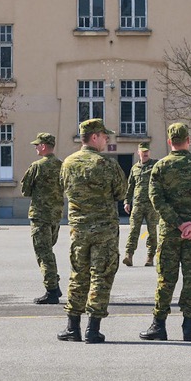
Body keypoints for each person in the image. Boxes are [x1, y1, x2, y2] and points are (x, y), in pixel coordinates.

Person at [139, 122, 191, 342]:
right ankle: (188, 327)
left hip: (170, 232)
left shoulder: (160, 167)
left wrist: (177, 223)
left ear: (169, 141)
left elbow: (156, 199)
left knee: (166, 278)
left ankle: (159, 325)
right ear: (188, 140)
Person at [57, 119, 126, 344]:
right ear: (94, 137)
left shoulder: (67, 163)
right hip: (104, 229)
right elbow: (121, 192)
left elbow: (63, 188)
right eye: (105, 136)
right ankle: (93, 329)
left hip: (79, 230)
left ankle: (72, 327)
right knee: (101, 276)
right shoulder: (107, 164)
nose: (107, 140)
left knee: (78, 274)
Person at [20, 133, 64, 304]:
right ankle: (55, 285)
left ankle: (51, 290)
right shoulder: (62, 165)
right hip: (56, 216)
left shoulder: (37, 166)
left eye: (37, 145)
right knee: (48, 251)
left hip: (40, 215)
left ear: (44, 146)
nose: (36, 147)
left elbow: (25, 190)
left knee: (43, 253)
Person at [123, 142, 159, 265]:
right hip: (137, 204)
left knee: (152, 231)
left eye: (146, 151)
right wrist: (127, 201)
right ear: (138, 152)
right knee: (133, 230)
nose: (144, 153)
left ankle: (150, 257)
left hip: (151, 205)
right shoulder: (135, 168)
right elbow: (130, 186)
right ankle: (129, 255)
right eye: (142, 151)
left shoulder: (155, 166)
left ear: (149, 152)